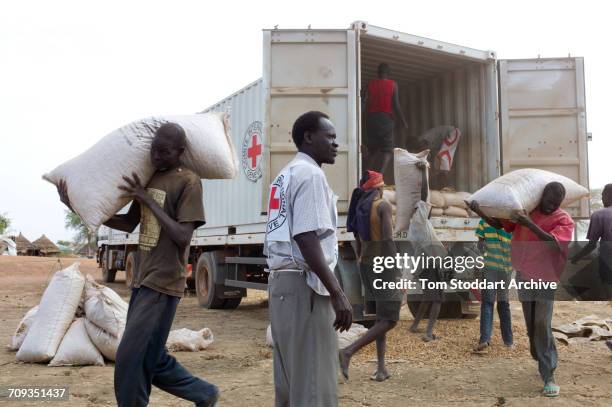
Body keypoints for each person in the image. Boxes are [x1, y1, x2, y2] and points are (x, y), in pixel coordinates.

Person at [57, 123, 219, 407]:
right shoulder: (151, 177)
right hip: (143, 280)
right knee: (152, 358)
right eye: (154, 151)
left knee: (130, 357)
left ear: (180, 152)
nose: (157, 156)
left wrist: (147, 200)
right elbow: (128, 223)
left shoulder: (189, 182)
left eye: (164, 151)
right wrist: (76, 205)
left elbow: (183, 236)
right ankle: (204, 394)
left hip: (164, 281)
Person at [264, 111, 352, 407]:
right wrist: (337, 292)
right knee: (314, 384)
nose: (335, 144)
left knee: (291, 382)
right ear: (308, 137)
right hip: (305, 289)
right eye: (330, 137)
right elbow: (306, 236)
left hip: (281, 286)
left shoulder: (285, 175)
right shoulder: (311, 174)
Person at [471, 182, 574, 398]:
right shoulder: (528, 212)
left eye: (555, 204)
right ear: (541, 197)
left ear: (560, 203)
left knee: (541, 323)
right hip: (525, 276)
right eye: (547, 202)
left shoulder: (563, 219)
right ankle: (541, 355)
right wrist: (478, 210)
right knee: (532, 328)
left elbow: (553, 243)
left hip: (546, 278)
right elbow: (499, 225)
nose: (550, 207)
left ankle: (549, 376)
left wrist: (529, 224)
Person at [340, 170, 400, 382]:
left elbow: (357, 243)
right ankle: (348, 352)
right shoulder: (382, 206)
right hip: (383, 266)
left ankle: (381, 368)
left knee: (379, 318)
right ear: (379, 187)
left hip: (366, 265)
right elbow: (387, 241)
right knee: (390, 319)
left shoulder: (360, 208)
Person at [469, 215, 514, 353]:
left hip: (490, 268)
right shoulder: (511, 224)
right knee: (503, 304)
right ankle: (508, 341)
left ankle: (484, 340)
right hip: (506, 268)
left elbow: (480, 245)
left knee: (487, 303)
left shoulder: (484, 222)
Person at [363, 63, 409, 174]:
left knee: (372, 150)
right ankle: (380, 174)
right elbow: (396, 105)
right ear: (388, 73)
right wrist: (403, 121)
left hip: (371, 119)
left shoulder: (370, 84)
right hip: (385, 119)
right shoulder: (393, 84)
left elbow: (364, 102)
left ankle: (365, 174)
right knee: (387, 150)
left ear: (378, 73)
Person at [570, 183, 612, 296]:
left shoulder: (599, 215)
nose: (602, 198)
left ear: (608, 195)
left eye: (603, 195)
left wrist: (576, 257)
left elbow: (592, 245)